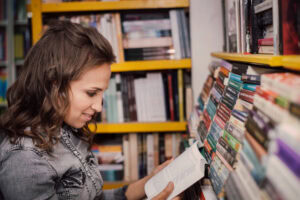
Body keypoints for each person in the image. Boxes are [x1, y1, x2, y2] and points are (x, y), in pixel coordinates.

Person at [0, 20, 179, 200]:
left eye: (101, 94)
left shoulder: (66, 127)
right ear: (55, 85)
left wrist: (151, 182)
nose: (99, 107)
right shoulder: (24, 158)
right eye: (91, 93)